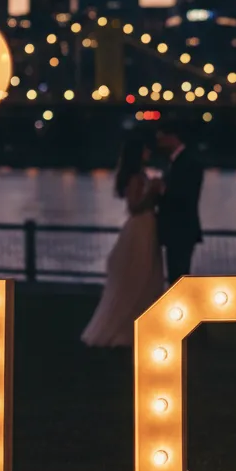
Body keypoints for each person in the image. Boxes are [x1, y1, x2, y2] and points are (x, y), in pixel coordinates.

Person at [81, 136, 164, 348]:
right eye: (145, 149)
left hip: (147, 226)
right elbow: (135, 206)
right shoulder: (136, 177)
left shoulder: (141, 175)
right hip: (141, 226)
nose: (148, 152)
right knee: (138, 274)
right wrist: (152, 192)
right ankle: (124, 329)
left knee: (148, 275)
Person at [154, 123, 204, 284]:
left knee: (178, 275)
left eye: (162, 138)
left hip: (180, 228)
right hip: (180, 229)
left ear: (172, 138)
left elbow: (183, 195)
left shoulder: (187, 162)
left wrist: (160, 193)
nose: (159, 142)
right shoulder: (181, 161)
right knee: (177, 274)